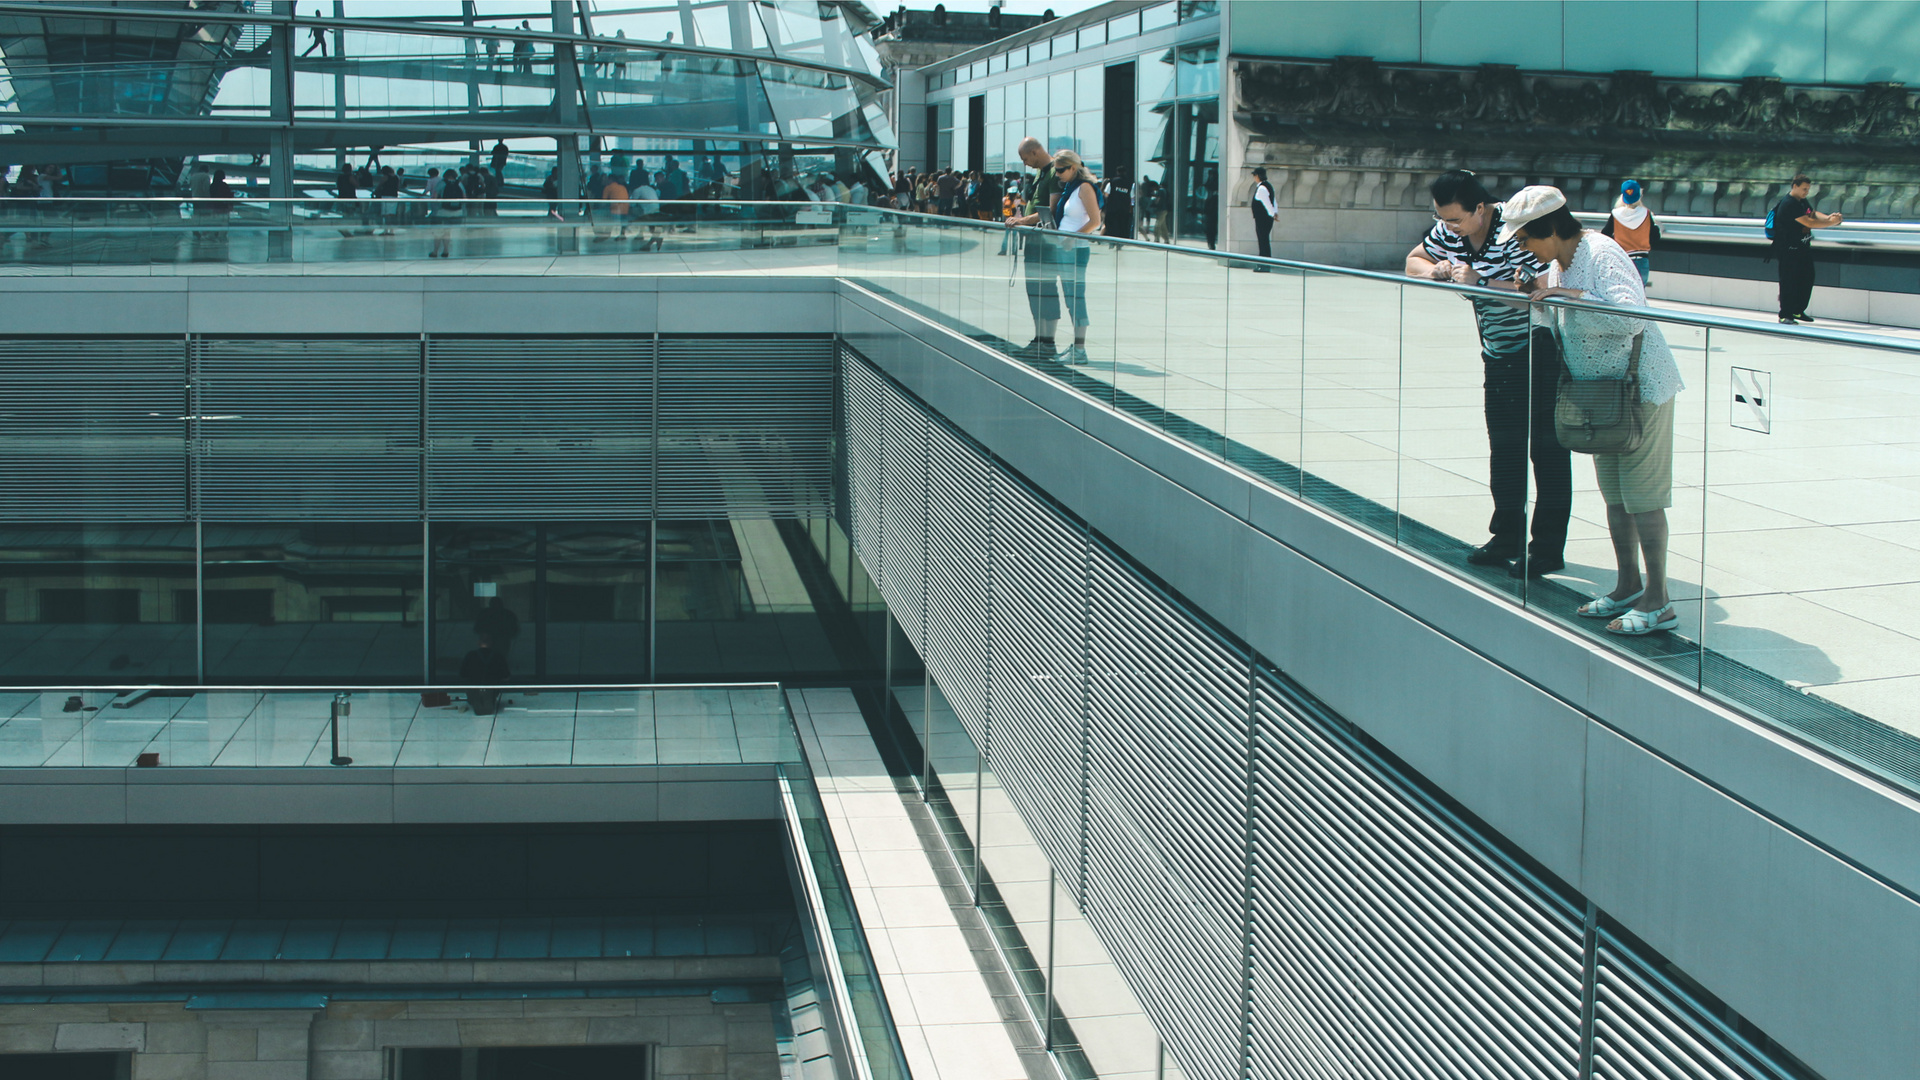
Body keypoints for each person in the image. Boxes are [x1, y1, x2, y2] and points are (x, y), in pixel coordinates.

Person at [1504, 186, 1685, 636]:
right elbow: (1560, 318)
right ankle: (1628, 585)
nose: (1522, 247)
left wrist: (1568, 295)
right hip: (1602, 395)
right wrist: (1542, 298)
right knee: (1616, 495)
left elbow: (1631, 317)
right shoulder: (1557, 263)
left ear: (1547, 229)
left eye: (1524, 238)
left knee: (1642, 497)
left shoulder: (1602, 252)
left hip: (1641, 389)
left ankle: (1659, 600)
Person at [1404, 169, 1570, 579]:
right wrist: (1437, 271)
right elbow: (1412, 261)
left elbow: (1539, 288)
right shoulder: (1451, 231)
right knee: (1505, 446)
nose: (1449, 228)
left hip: (1539, 345)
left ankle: (1547, 548)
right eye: (1443, 219)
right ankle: (1507, 537)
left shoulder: (1513, 228)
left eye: (1457, 219)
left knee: (1546, 451)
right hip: (1498, 352)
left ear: (1481, 208)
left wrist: (1482, 282)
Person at [1009, 137, 1083, 362]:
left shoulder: (1053, 173)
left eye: (1025, 158)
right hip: (1033, 243)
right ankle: (1040, 339)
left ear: (1034, 152)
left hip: (1047, 246)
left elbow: (1050, 211)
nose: (1025, 163)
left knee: (1045, 290)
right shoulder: (1041, 172)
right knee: (1035, 291)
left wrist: (1021, 221)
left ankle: (1047, 341)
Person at [1042, 150, 1102, 364]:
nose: (1057, 174)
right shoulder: (1070, 188)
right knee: (1070, 296)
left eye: (1060, 170)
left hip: (1075, 249)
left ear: (1073, 168)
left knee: (1076, 296)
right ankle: (1077, 347)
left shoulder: (1084, 188)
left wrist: (1072, 238)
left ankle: (1080, 348)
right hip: (1065, 248)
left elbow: (1095, 221)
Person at [1770, 174, 1842, 324]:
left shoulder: (1801, 201)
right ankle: (1785, 314)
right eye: (1804, 189)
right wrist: (1831, 223)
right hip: (1788, 249)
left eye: (1808, 189)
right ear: (1795, 186)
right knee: (1789, 281)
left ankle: (1798, 310)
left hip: (1802, 248)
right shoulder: (1789, 204)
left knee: (1806, 278)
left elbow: (1813, 214)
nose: (1806, 192)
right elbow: (1809, 222)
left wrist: (1829, 218)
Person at [1601, 180, 1659, 286]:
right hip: (1642, 259)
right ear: (1639, 195)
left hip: (1622, 259)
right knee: (1639, 294)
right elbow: (1655, 237)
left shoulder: (1616, 214)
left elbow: (1605, 235)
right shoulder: (1646, 214)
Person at [1249, 166, 1277, 269]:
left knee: (1263, 241)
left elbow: (1267, 203)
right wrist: (1274, 212)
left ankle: (1263, 265)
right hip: (1266, 218)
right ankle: (1265, 263)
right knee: (1264, 240)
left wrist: (1272, 213)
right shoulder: (1268, 186)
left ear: (1257, 176)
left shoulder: (1261, 188)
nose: (1254, 178)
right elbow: (1274, 201)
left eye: (1254, 176)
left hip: (1262, 218)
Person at [1100, 166, 1133, 240]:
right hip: (1124, 209)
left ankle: (1112, 242)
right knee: (1123, 227)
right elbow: (1132, 197)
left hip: (1112, 209)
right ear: (1125, 173)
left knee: (1112, 226)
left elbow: (1106, 194)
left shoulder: (1112, 182)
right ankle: (1121, 243)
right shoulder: (1130, 183)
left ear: (1117, 172)